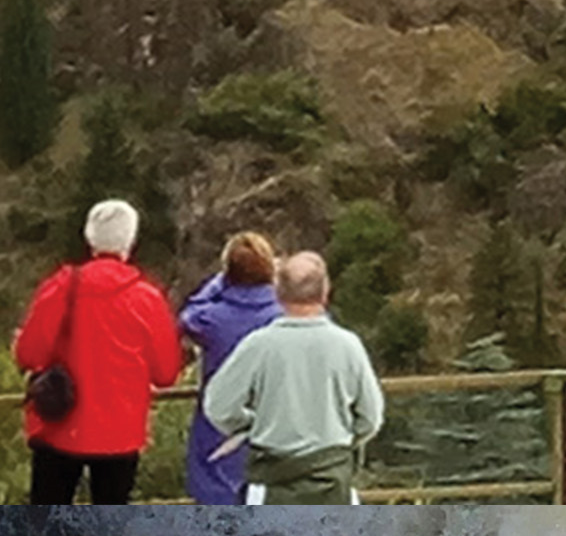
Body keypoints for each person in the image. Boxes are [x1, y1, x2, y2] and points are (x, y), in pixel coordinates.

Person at [12, 199, 182, 505]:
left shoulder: (60, 287)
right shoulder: (146, 298)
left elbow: (29, 354)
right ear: (131, 240)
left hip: (59, 425)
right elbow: (166, 373)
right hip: (121, 432)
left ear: (89, 238)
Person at [203, 251, 384, 504]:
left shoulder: (258, 345)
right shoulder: (348, 346)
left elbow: (218, 405)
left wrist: (251, 425)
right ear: (325, 291)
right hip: (333, 482)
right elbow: (371, 417)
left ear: (278, 292)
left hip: (270, 484)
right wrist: (342, 439)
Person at [179, 231, 283, 505]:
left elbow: (189, 314)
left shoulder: (211, 319)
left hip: (219, 431)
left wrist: (218, 282)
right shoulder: (285, 316)